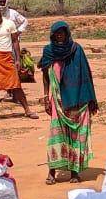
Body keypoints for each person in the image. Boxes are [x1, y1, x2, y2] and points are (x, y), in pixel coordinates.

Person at [40, 21, 99, 184]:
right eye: (57, 33)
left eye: (62, 32)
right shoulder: (48, 51)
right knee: (56, 134)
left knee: (76, 137)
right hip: (58, 101)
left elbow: (85, 74)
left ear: (67, 33)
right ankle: (52, 172)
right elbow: (45, 76)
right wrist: (46, 97)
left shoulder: (76, 49)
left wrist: (89, 99)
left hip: (77, 100)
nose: (60, 35)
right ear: (52, 35)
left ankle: (74, 173)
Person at [0, 1, 37, 121]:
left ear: (0, 10)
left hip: (8, 57)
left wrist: (18, 59)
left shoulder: (9, 23)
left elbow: (15, 41)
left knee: (16, 85)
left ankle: (27, 110)